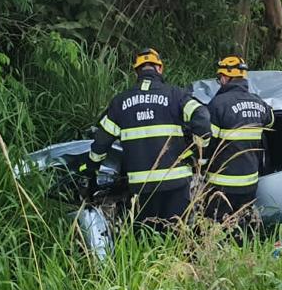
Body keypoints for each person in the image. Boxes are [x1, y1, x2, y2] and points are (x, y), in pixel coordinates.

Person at [83, 48, 211, 231]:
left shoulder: (120, 103)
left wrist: (91, 171)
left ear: (136, 72)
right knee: (177, 237)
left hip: (141, 188)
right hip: (175, 184)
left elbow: (100, 143)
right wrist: (198, 155)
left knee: (147, 239)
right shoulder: (176, 95)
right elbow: (202, 118)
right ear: (159, 69)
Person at [204, 55, 274, 230]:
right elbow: (271, 120)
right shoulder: (258, 102)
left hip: (222, 184)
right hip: (249, 183)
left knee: (217, 228)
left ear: (226, 78)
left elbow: (207, 142)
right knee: (242, 226)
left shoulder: (217, 105)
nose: (220, 82)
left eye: (220, 78)